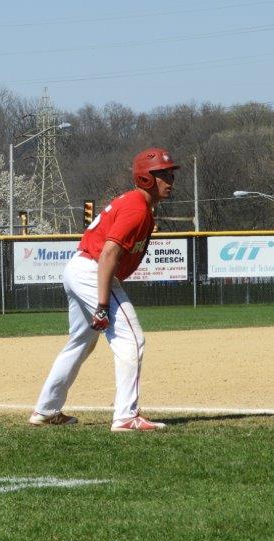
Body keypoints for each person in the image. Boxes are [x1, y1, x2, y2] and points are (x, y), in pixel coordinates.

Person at [30, 147, 179, 432]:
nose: (170, 179)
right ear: (146, 178)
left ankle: (46, 410)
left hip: (80, 267)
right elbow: (109, 253)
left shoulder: (138, 206)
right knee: (130, 337)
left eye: (170, 173)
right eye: (162, 174)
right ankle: (126, 416)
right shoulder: (137, 208)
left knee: (81, 342)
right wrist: (101, 304)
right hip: (92, 269)